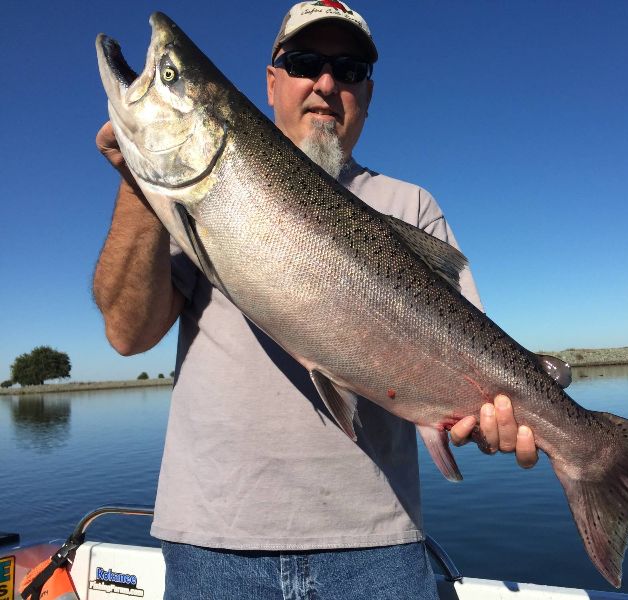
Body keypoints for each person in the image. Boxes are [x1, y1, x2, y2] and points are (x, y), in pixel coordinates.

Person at [93, 2, 538, 598]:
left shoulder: (413, 206)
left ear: (368, 93)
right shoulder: (190, 198)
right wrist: (138, 179)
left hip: (378, 546)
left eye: (349, 69)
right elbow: (127, 334)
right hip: (213, 539)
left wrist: (494, 419)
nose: (326, 84)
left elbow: (476, 373)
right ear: (271, 82)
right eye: (304, 63)